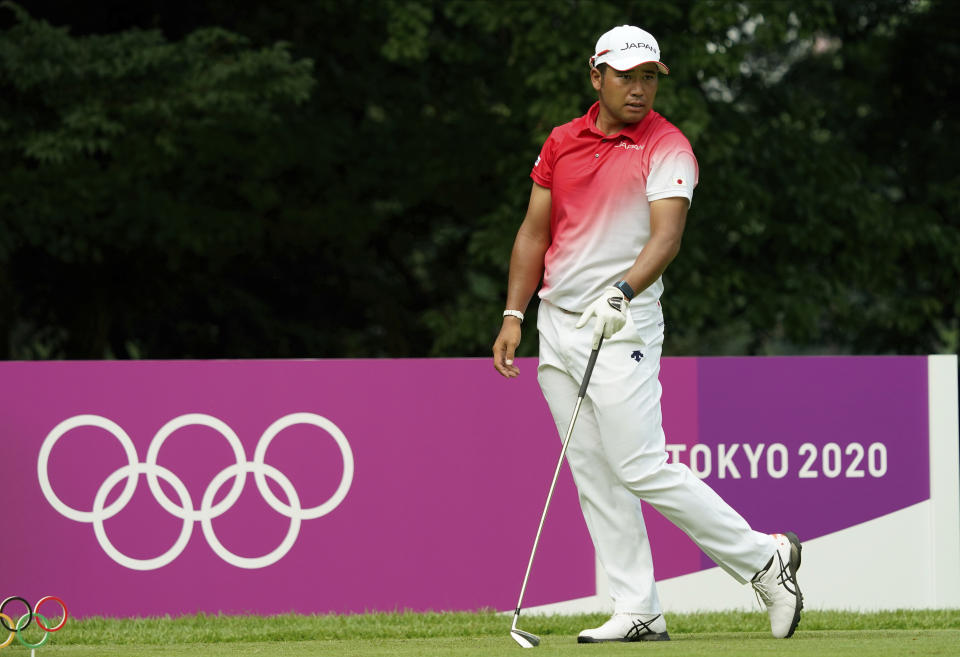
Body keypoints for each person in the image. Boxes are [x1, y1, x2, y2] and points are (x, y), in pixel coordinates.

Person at [492, 25, 803, 642]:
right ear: (596, 76)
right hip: (557, 325)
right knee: (593, 473)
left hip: (623, 321)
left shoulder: (669, 147)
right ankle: (638, 609)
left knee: (640, 464)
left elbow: (666, 238)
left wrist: (623, 292)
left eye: (649, 77)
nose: (639, 89)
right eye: (627, 76)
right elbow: (533, 233)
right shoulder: (561, 142)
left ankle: (764, 560)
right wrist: (513, 314)